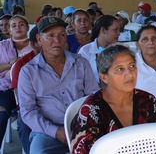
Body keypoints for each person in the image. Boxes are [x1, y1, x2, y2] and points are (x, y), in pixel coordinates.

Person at [18, 16, 98, 154]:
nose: (57, 40)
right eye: (50, 36)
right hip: (47, 132)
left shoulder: (80, 63)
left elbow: (94, 97)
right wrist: (55, 132)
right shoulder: (28, 71)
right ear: (39, 39)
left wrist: (85, 125)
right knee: (39, 151)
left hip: (82, 127)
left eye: (62, 35)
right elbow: (28, 111)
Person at [70, 44, 156, 153]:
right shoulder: (91, 112)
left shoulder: (148, 101)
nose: (129, 74)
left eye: (132, 66)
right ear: (104, 77)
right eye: (120, 69)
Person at [0, 15, 33, 149]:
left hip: (28, 89)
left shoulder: (36, 46)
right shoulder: (2, 46)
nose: (18, 27)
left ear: (27, 28)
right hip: (5, 87)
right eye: (14, 25)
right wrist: (9, 65)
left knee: (23, 120)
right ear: (9, 30)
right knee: (1, 112)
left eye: (21, 24)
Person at [10, 26, 41, 154]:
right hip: (32, 105)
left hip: (60, 105)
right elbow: (21, 98)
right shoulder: (22, 64)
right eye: (47, 38)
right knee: (24, 124)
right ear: (33, 44)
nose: (54, 42)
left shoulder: (70, 60)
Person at [78, 15, 120, 82]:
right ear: (103, 30)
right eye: (115, 30)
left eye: (119, 30)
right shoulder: (85, 51)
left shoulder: (120, 50)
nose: (119, 33)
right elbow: (80, 78)